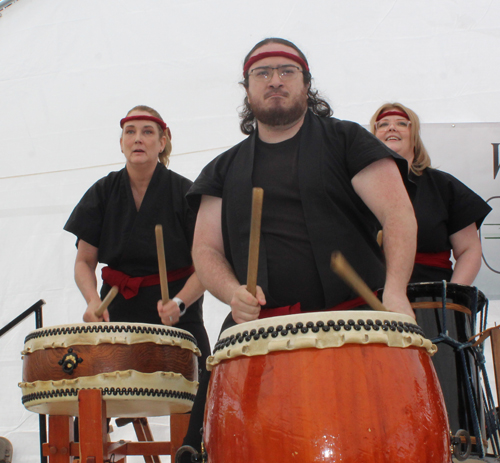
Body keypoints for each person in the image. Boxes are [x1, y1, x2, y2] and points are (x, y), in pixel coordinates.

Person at [178, 38, 417, 459]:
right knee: (217, 446)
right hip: (257, 334)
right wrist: (232, 291)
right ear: (247, 89)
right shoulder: (222, 169)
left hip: (352, 324)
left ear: (307, 85)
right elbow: (206, 250)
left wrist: (395, 289)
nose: (275, 81)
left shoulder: (347, 141)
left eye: (286, 72)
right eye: (262, 73)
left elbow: (398, 216)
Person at [370, 102, 492, 436]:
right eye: (383, 125)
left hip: (434, 300)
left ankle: (455, 439)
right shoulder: (358, 190)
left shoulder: (442, 185)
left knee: (441, 398)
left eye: (401, 123)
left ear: (415, 135)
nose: (392, 128)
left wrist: (449, 297)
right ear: (372, 135)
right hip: (374, 300)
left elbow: (468, 250)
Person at [64, 105, 210, 371]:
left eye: (147, 132)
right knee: (99, 393)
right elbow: (84, 262)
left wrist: (180, 302)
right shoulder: (102, 192)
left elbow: (207, 264)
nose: (137, 138)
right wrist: (92, 301)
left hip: (177, 312)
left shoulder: (185, 192)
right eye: (130, 132)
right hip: (116, 311)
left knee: (199, 395)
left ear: (162, 141)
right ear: (121, 143)